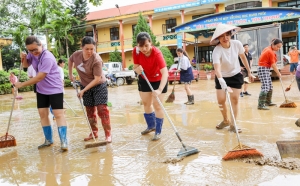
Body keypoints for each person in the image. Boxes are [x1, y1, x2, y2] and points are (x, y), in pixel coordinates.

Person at [16, 36, 68, 151]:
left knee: (58, 115)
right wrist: (24, 58)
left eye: (35, 49)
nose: (33, 52)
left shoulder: (48, 57)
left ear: (41, 45)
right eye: (30, 50)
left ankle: (64, 142)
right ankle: (48, 140)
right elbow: (25, 65)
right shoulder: (31, 54)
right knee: (43, 114)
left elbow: (40, 77)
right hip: (41, 90)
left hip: (55, 89)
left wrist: (22, 84)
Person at [211, 24, 253, 133]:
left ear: (230, 35)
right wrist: (221, 80)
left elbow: (243, 57)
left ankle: (233, 124)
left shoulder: (237, 44)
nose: (225, 38)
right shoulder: (217, 50)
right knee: (221, 101)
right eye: (222, 36)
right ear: (218, 38)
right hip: (222, 77)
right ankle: (225, 120)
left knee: (235, 99)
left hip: (235, 75)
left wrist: (249, 72)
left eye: (227, 35)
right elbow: (217, 68)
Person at [68, 36, 112, 143]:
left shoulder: (96, 60)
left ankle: (108, 134)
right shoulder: (76, 55)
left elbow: (97, 79)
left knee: (102, 109)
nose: (89, 51)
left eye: (92, 49)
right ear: (82, 47)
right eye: (87, 49)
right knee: (90, 111)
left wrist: (83, 91)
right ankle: (94, 133)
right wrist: (70, 74)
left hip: (99, 85)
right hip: (85, 85)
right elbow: (70, 60)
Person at [133, 32, 168, 141]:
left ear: (150, 43)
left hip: (159, 80)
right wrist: (136, 69)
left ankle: (158, 131)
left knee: (157, 105)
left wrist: (159, 90)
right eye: (141, 46)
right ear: (138, 45)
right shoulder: (136, 51)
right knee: (146, 103)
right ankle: (151, 126)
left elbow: (165, 73)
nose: (144, 49)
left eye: (146, 45)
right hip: (145, 78)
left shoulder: (157, 53)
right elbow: (135, 66)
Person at [257, 38, 282, 110]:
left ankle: (268, 101)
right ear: (273, 45)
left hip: (265, 69)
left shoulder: (269, 48)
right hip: (263, 68)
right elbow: (273, 65)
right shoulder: (270, 51)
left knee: (270, 86)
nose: (278, 48)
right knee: (265, 87)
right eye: (277, 46)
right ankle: (261, 105)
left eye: (279, 47)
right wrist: (278, 73)